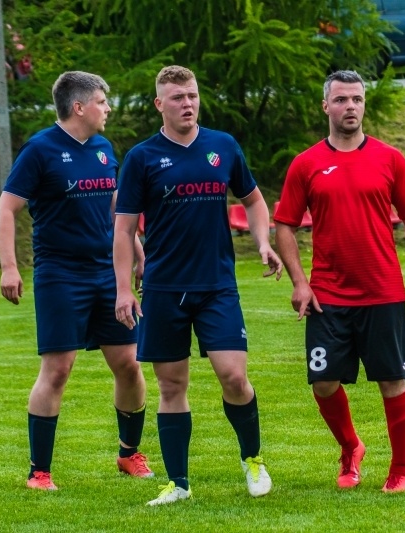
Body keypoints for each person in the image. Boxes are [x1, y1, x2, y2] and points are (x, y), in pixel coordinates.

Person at [113, 65, 282, 505]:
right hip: (165, 289)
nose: (187, 103)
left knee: (234, 377)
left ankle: (253, 460)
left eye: (192, 95)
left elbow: (255, 200)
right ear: (159, 104)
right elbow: (123, 229)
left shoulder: (222, 146)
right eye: (177, 97)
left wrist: (263, 241)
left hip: (216, 285)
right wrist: (123, 289)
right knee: (172, 387)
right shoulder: (142, 158)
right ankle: (179, 484)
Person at [274, 70, 405, 494]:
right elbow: (285, 226)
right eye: (342, 100)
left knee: (392, 381)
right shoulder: (306, 163)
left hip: (383, 292)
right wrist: (299, 282)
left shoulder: (389, 158)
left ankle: (402, 470)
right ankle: (351, 447)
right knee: (323, 382)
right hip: (327, 295)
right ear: (326, 106)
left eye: (357, 100)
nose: (351, 107)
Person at [0, 71, 153, 491]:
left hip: (106, 273)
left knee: (129, 364)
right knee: (58, 369)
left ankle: (128, 453)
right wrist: (10, 267)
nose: (108, 109)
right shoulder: (40, 150)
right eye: (102, 101)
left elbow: (116, 203)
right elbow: (6, 211)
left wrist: (136, 247)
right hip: (60, 274)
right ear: (79, 107)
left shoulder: (102, 148)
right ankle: (39, 472)